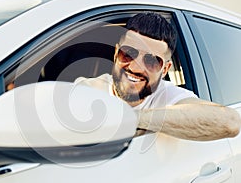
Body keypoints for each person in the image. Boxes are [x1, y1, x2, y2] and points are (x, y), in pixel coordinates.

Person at [75, 12, 241, 141]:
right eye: (128, 54)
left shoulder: (169, 96)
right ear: (116, 53)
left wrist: (131, 118)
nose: (135, 67)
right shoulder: (88, 88)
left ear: (165, 69)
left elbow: (230, 122)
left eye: (151, 61)